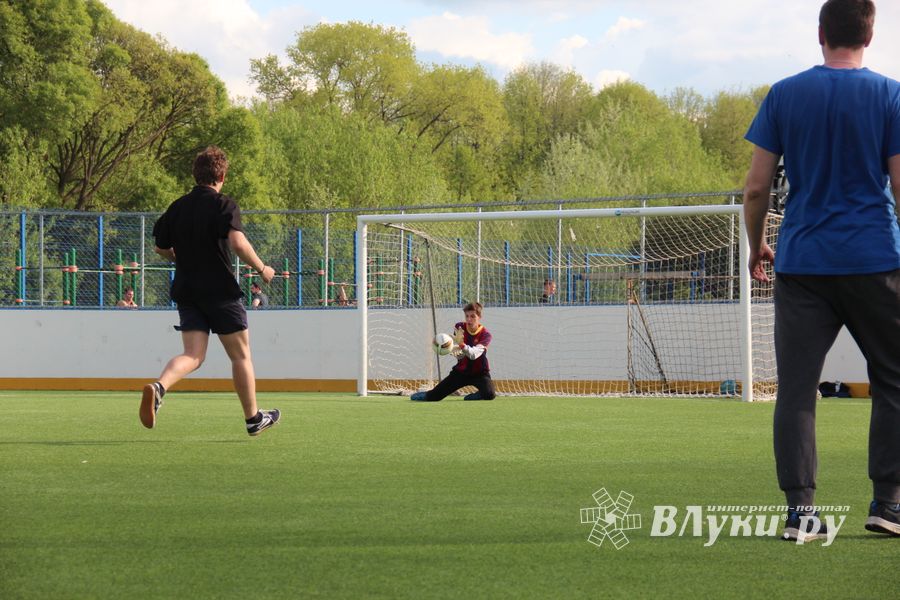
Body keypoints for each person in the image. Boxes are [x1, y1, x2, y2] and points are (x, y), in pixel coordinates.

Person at [743, 0, 900, 541]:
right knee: (893, 379)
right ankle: (889, 505)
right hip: (877, 261)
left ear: (820, 33)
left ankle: (801, 513)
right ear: (870, 36)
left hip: (804, 262)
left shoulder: (784, 94)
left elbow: (756, 188)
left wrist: (758, 245)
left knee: (796, 388)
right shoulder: (891, 95)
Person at [140, 146, 281, 436]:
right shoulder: (223, 204)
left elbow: (160, 247)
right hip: (220, 290)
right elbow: (238, 243)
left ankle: (159, 386)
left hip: (188, 291)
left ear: (195, 174)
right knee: (240, 356)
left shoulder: (177, 207)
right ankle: (253, 418)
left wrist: (183, 258)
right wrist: (262, 268)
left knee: (193, 355)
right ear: (223, 176)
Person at [410, 301, 496, 402]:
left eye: (473, 316)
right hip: (461, 372)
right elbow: (460, 353)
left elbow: (474, 355)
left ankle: (479, 394)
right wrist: (454, 351)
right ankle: (427, 395)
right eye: (467, 316)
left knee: (490, 394)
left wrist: (462, 345)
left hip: (480, 373)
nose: (469, 319)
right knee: (433, 397)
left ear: (479, 317)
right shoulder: (460, 327)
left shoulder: (486, 335)